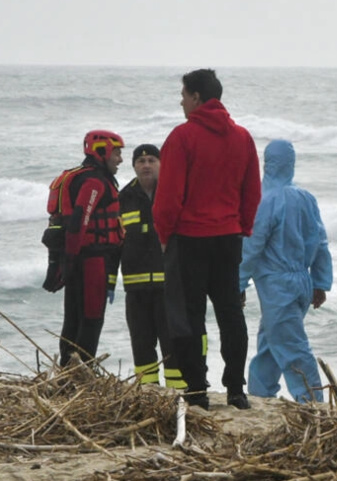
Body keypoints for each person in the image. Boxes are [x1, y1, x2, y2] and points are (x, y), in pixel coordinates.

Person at [154, 69, 261, 410]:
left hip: (189, 238)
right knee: (230, 312)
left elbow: (168, 196)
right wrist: (242, 227)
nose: (181, 102)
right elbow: (252, 191)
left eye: (184, 95)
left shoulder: (182, 137)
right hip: (228, 237)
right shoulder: (242, 137)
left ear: (197, 97)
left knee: (189, 316)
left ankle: (197, 390)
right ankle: (236, 390)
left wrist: (163, 234)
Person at [239, 139, 332, 404]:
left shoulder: (264, 200)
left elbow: (252, 246)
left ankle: (312, 402)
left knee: (292, 347)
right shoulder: (306, 198)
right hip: (302, 280)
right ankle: (260, 394)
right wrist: (320, 282)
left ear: (266, 163)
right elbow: (321, 242)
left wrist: (238, 282)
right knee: (271, 342)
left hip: (276, 284)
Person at [43, 130, 124, 366]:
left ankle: (67, 372)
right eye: (117, 153)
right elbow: (80, 220)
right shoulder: (94, 182)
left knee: (73, 319)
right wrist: (69, 260)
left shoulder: (80, 176)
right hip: (91, 260)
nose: (120, 159)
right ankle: (82, 372)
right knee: (91, 319)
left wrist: (65, 262)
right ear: (102, 151)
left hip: (76, 259)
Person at [118, 144, 185, 388]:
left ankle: (178, 392)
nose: (146, 165)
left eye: (151, 160)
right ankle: (147, 392)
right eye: (141, 161)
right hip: (135, 289)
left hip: (169, 286)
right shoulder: (123, 198)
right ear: (134, 166)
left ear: (161, 164)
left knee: (173, 343)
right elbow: (115, 242)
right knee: (141, 343)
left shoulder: (173, 193)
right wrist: (108, 280)